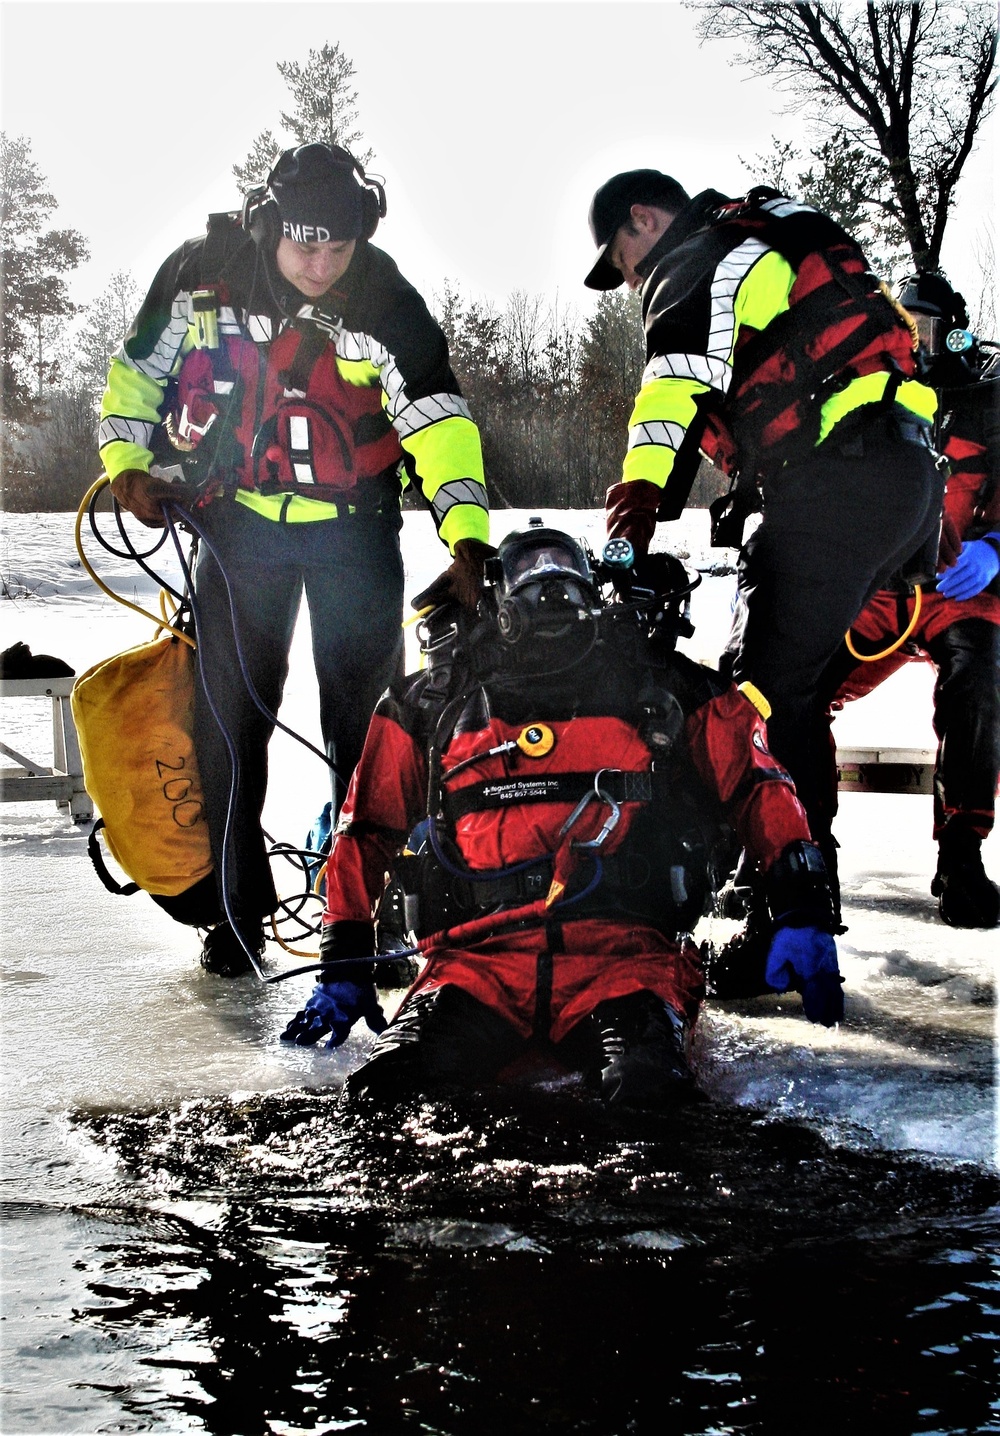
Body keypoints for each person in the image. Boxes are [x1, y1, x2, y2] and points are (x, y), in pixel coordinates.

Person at [281, 522, 844, 1108]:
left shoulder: (663, 687)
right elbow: (366, 828)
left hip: (626, 962)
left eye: (564, 566)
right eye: (528, 569)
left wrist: (802, 906)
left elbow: (758, 785)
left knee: (650, 1096)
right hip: (474, 966)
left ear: (592, 585)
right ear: (497, 594)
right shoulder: (431, 702)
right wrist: (343, 958)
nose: (549, 585)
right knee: (388, 1092)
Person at [98, 143, 491, 975]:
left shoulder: (386, 297)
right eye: (304, 245)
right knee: (229, 727)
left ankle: (370, 920)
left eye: (338, 249)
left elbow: (438, 418)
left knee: (370, 733)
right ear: (269, 227)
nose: (320, 266)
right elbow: (135, 377)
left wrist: (465, 534)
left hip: (355, 531)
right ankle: (235, 922)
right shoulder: (202, 273)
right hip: (237, 528)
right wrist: (126, 463)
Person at [582, 170, 943, 910]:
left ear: (643, 221)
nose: (629, 285)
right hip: (907, 479)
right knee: (797, 692)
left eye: (621, 264)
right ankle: (791, 880)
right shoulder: (766, 234)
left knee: (762, 696)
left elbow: (671, 391)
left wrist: (639, 505)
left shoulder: (692, 259)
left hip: (842, 483)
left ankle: (791, 898)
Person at [822, 273, 1000, 927]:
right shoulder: (858, 394)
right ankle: (800, 850)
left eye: (925, 327)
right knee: (789, 687)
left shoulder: (990, 400)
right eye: (903, 326)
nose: (915, 342)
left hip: (957, 587)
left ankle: (961, 853)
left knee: (978, 676)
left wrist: (996, 548)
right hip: (879, 588)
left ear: (954, 330)